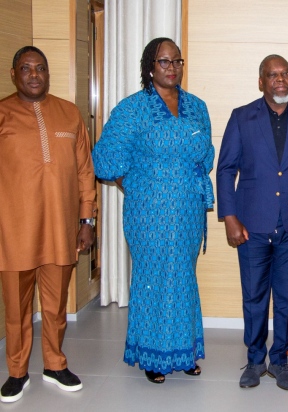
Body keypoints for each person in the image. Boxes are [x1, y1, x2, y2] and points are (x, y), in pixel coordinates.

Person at [92, 37, 214, 384]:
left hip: (188, 210)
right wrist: (132, 185)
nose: (172, 67)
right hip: (149, 212)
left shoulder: (197, 106)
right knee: (153, 278)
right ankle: (152, 353)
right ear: (150, 67)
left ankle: (185, 349)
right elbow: (105, 159)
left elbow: (206, 153)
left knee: (183, 277)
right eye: (164, 61)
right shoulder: (133, 109)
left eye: (177, 61)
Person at [216, 54, 288, 390]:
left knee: (286, 298)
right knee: (253, 296)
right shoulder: (242, 117)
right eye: (272, 75)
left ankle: (279, 360)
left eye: (286, 73)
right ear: (261, 81)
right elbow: (226, 170)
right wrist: (230, 218)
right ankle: (255, 360)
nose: (280, 79)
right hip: (251, 225)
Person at [0, 46, 96, 403]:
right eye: (26, 68)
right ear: (14, 74)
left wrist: (87, 220)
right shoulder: (3, 114)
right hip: (13, 231)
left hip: (60, 230)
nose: (35, 74)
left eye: (41, 68)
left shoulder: (70, 114)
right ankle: (17, 371)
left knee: (55, 307)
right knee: (16, 307)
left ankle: (55, 364)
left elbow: (86, 172)